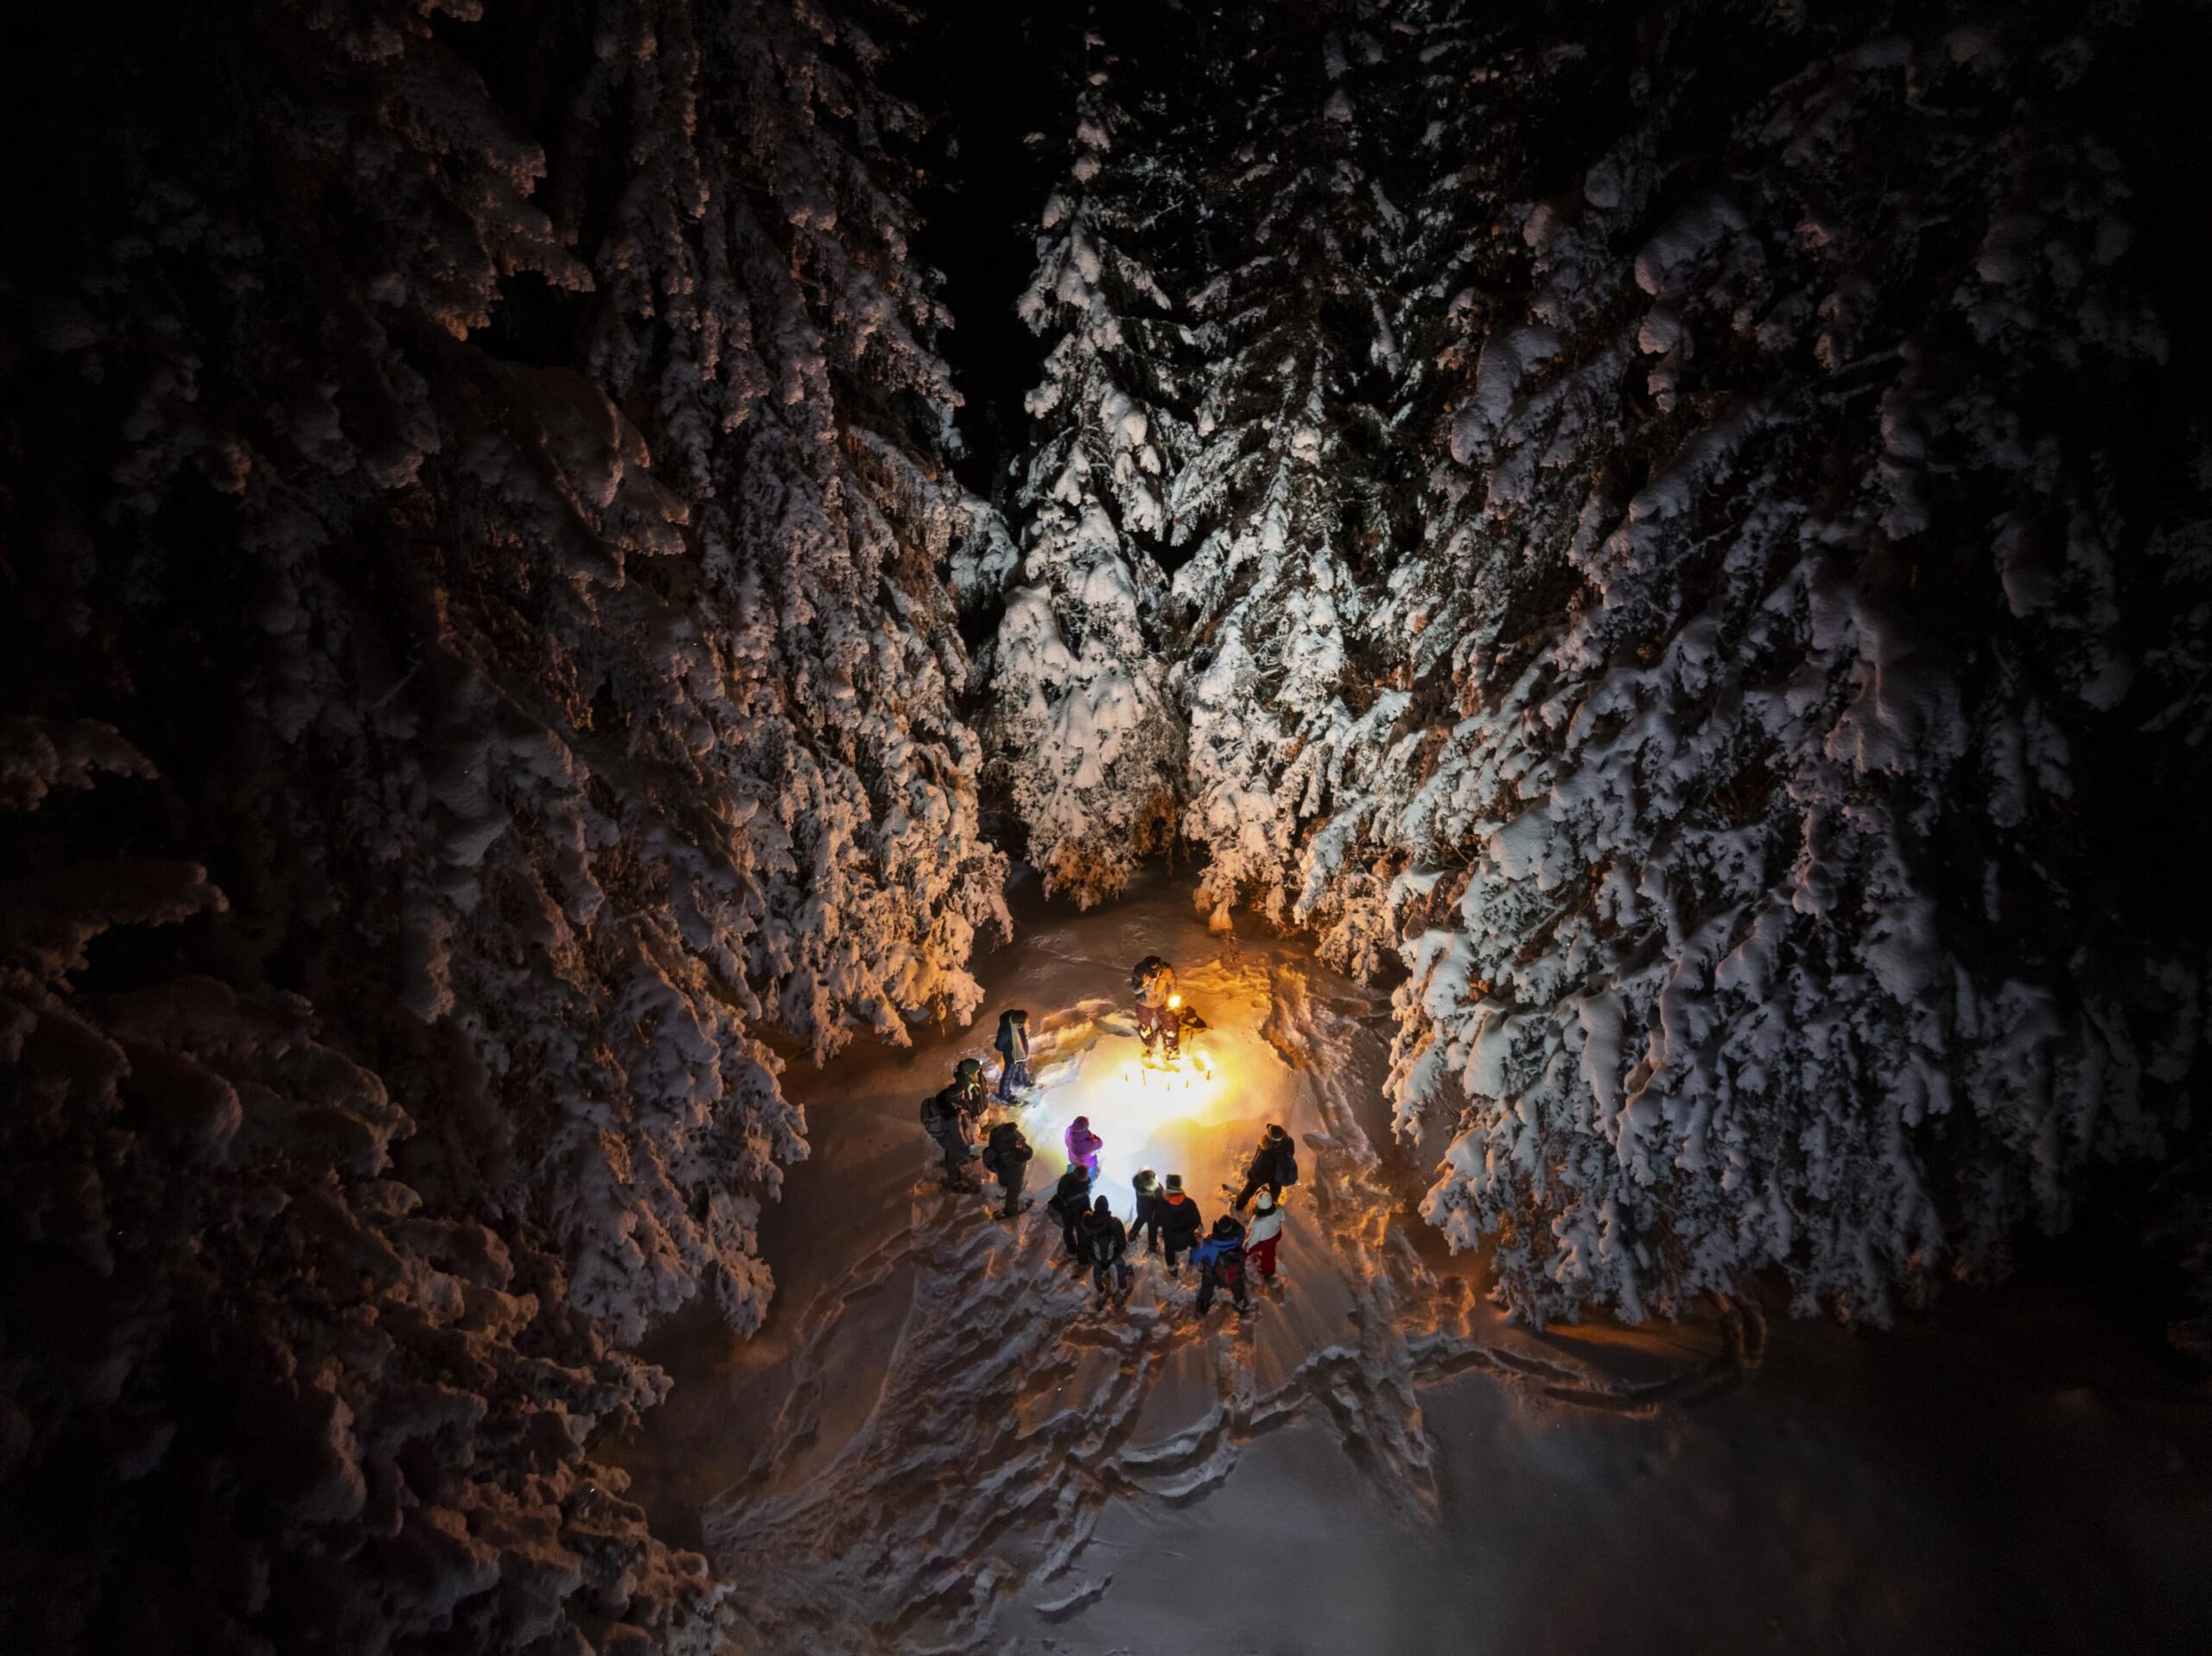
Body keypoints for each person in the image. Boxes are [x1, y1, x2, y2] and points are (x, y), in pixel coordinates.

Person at [1190, 1213, 1250, 1317]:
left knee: (1207, 1285)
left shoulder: (1208, 1244)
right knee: (1237, 1284)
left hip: (1213, 1275)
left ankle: (1203, 1305)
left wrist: (1192, 1261)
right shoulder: (1238, 1238)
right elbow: (1241, 1230)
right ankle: (1240, 1299)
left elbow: (1195, 1257)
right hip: (1233, 1273)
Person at [919, 1086, 978, 1190]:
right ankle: (953, 1182)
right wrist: (965, 1150)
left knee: (951, 1153)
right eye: (961, 1096)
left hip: (947, 1139)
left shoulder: (946, 1103)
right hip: (950, 1141)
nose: (963, 1097)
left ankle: (952, 1160)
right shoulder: (952, 1118)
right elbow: (958, 1136)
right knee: (952, 1162)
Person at [1233, 1122, 1299, 1211]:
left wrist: (1251, 1175)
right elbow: (1291, 1153)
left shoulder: (1266, 1149)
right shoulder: (1288, 1142)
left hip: (1264, 1174)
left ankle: (1239, 1205)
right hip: (1278, 1174)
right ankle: (1270, 1208)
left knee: (1251, 1188)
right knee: (1275, 1192)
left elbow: (1257, 1164)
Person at [1080, 1195, 1131, 1301]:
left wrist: (1092, 1256)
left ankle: (1101, 1292)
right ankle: (1123, 1289)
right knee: (1121, 1266)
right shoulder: (1115, 1223)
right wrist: (1113, 1257)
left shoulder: (1088, 1223)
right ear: (1107, 1208)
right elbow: (1122, 1243)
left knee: (1097, 1271)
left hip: (1096, 1257)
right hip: (1112, 1256)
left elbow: (1085, 1242)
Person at [980, 1121, 1033, 1219]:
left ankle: (1003, 1190)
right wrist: (1022, 1148)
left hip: (998, 1165)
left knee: (1003, 1178)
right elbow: (1027, 1154)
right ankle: (1011, 1211)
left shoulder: (995, 1132)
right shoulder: (1014, 1144)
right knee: (1014, 1189)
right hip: (1013, 1171)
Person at [1130, 955, 1179, 1057]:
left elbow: (1172, 983)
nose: (1154, 977)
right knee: (1145, 1024)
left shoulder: (1166, 971)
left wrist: (1172, 995)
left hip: (1162, 1001)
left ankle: (1172, 1046)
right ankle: (1147, 1043)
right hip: (1144, 1003)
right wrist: (1143, 984)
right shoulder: (1139, 971)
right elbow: (1135, 990)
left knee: (1171, 1023)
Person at [1158, 1173, 1204, 1276]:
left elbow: (1158, 1221)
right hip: (1188, 1239)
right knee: (1194, 1242)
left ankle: (1172, 1270)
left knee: (1169, 1250)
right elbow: (1197, 1221)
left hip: (1172, 1242)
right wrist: (1189, 1228)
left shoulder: (1162, 1205)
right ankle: (1199, 1258)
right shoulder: (1190, 1203)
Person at [1048, 1161, 1094, 1259]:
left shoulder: (1066, 1178)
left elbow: (1059, 1190)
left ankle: (1071, 1249)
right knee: (1080, 1233)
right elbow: (1086, 1210)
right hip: (1075, 1215)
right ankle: (1081, 1255)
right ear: (1085, 1178)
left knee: (1067, 1230)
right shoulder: (1083, 1194)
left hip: (1064, 1210)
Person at [1246, 1189, 1287, 1282]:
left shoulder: (1256, 1220)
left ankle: (1242, 1258)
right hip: (1275, 1235)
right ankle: (1268, 1272)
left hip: (1262, 1240)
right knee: (1269, 1254)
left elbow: (1253, 1236)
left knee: (1247, 1248)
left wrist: (1248, 1244)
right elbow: (1283, 1218)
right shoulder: (1279, 1208)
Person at [993, 1008, 1033, 1100]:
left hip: (1021, 1054)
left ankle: (1022, 1080)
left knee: (1021, 1068)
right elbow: (998, 1046)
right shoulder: (1006, 1031)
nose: (1028, 1025)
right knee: (1008, 1075)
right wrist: (1006, 1046)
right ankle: (1004, 1094)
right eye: (1026, 1022)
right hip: (1011, 1056)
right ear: (1019, 1021)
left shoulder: (1018, 1025)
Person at [1130, 1168, 1164, 1254]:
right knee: (1152, 1229)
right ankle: (1152, 1246)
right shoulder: (1155, 1193)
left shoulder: (1139, 1186)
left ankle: (1132, 1235)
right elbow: (1160, 1204)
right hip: (1152, 1215)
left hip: (1141, 1210)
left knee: (1140, 1220)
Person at [1064, 1115, 1103, 1182]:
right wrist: (1092, 1136)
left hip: (1072, 1157)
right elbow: (1100, 1143)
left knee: (1075, 1166)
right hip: (1085, 1163)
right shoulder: (1089, 1143)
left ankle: (1071, 1174)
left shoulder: (1069, 1130)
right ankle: (1091, 1179)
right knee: (1091, 1169)